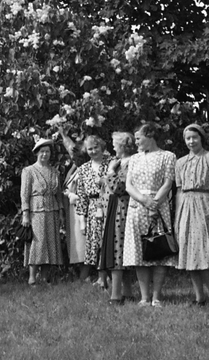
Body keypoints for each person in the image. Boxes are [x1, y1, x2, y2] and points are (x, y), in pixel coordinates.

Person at [122, 122, 176, 307]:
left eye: (139, 138)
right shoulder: (134, 159)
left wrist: (154, 204)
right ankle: (144, 298)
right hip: (137, 206)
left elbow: (168, 183)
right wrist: (144, 201)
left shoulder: (167, 156)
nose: (136, 142)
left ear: (150, 135)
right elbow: (128, 185)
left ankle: (156, 297)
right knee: (139, 251)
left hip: (158, 206)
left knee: (159, 249)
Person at [174, 123, 209, 306]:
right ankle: (199, 297)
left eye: (194, 137)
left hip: (204, 203)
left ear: (201, 138)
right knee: (188, 253)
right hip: (186, 204)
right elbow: (179, 190)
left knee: (203, 251)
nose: (191, 141)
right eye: (188, 138)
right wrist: (178, 215)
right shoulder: (180, 162)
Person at [62, 133, 109, 283]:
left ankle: (110, 276)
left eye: (96, 148)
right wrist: (82, 220)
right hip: (92, 208)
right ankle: (101, 278)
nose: (93, 151)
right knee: (96, 243)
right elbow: (81, 196)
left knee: (109, 241)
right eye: (90, 149)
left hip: (109, 205)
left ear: (101, 147)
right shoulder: (83, 169)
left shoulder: (112, 163)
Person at [21, 135, 67, 284]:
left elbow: (59, 194)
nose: (45, 154)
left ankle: (45, 277)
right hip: (36, 211)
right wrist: (25, 214)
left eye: (47, 151)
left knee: (50, 242)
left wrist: (60, 212)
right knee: (37, 243)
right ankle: (32, 277)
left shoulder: (54, 171)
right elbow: (24, 194)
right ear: (37, 153)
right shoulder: (29, 171)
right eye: (42, 152)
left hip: (52, 210)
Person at [98, 130, 136, 303]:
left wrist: (111, 172)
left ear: (122, 145)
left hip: (123, 207)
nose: (112, 146)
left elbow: (119, 188)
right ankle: (126, 292)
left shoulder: (130, 163)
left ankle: (116, 295)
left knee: (118, 250)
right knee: (118, 249)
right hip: (114, 207)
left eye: (115, 143)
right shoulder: (120, 161)